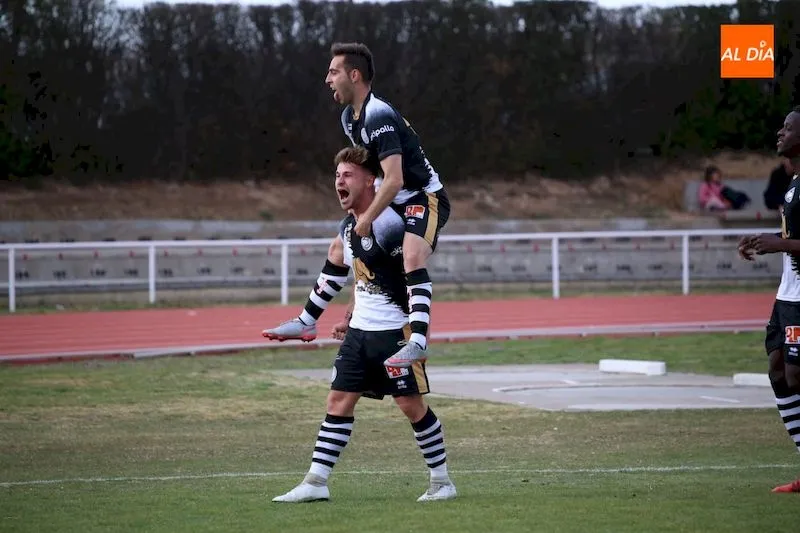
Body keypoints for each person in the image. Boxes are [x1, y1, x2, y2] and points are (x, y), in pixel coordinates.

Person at [264, 145, 457, 503]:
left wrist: (419, 335)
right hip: (359, 335)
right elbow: (343, 272)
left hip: (395, 333)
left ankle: (442, 481)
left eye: (348, 174)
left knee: (410, 406)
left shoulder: (391, 225)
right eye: (337, 175)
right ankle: (316, 482)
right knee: (338, 400)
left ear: (372, 181)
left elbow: (411, 278)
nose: (339, 180)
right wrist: (335, 315)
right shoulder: (348, 227)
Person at [323, 42, 450, 369]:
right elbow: (374, 177)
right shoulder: (348, 119)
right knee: (341, 247)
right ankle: (312, 318)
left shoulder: (377, 114)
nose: (328, 79)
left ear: (354, 75)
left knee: (411, 255)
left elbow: (392, 179)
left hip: (424, 196)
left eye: (333, 71)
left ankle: (418, 342)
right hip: (393, 199)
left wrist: (367, 218)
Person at [738, 106, 800, 493]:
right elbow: (788, 236)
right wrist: (766, 241)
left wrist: (778, 244)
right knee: (778, 368)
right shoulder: (793, 184)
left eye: (789, 127)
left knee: (796, 375)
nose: (780, 132)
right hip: (787, 294)